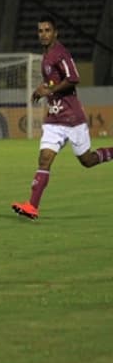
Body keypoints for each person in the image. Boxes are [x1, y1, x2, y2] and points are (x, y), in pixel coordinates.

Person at [11, 15, 113, 220]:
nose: (43, 34)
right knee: (44, 158)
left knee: (88, 160)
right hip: (54, 119)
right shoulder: (46, 55)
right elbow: (53, 82)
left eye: (47, 30)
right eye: (40, 31)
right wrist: (44, 88)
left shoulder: (60, 53)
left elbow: (74, 78)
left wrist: (49, 90)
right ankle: (32, 206)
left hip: (72, 118)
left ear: (55, 32)